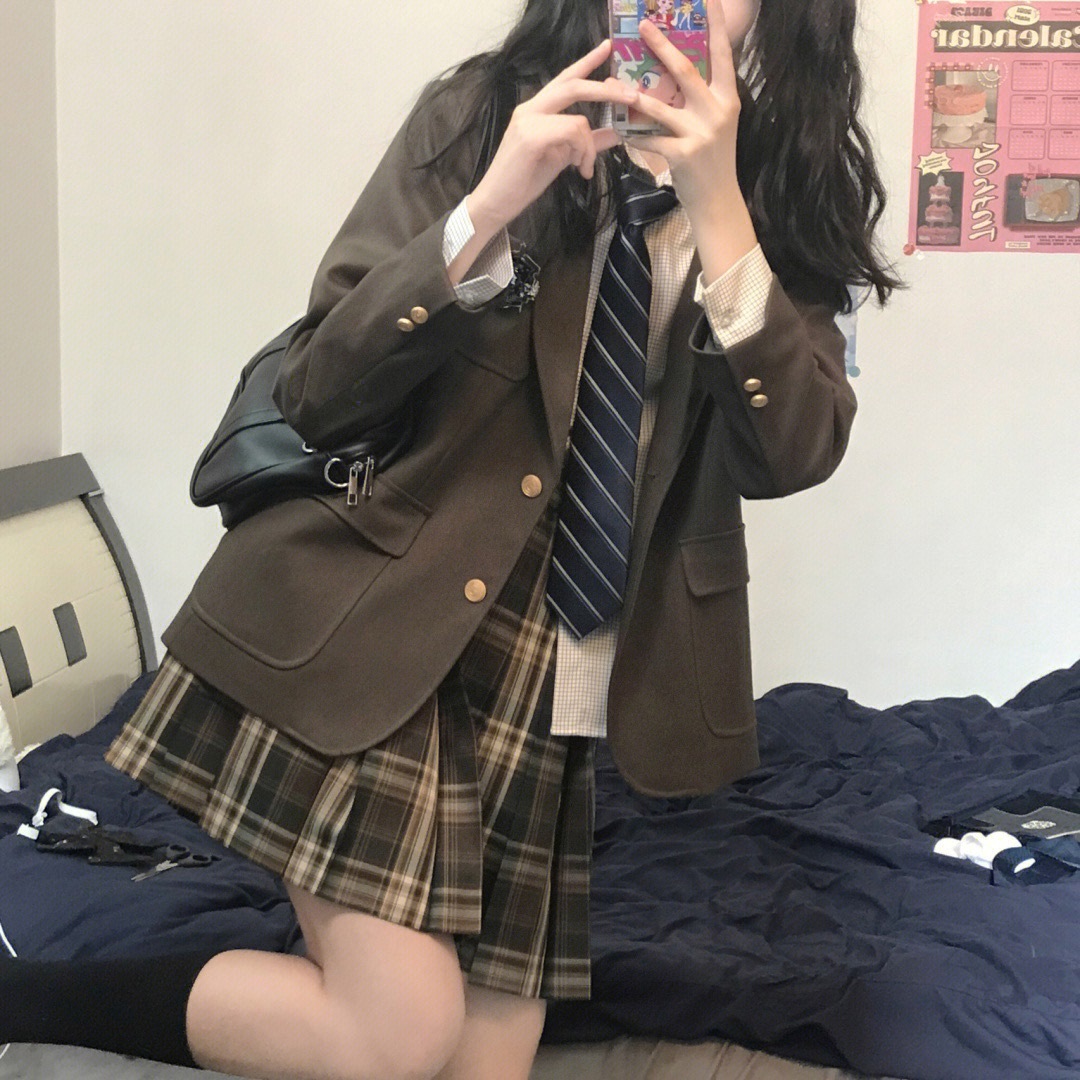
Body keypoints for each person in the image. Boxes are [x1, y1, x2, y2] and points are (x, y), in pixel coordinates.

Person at [1, 0, 899, 1077]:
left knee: (487, 1060)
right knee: (397, 1035)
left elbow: (793, 453)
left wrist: (721, 213)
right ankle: (26, 998)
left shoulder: (782, 182)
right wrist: (487, 208)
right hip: (386, 622)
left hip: (565, 667)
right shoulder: (486, 115)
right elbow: (318, 386)